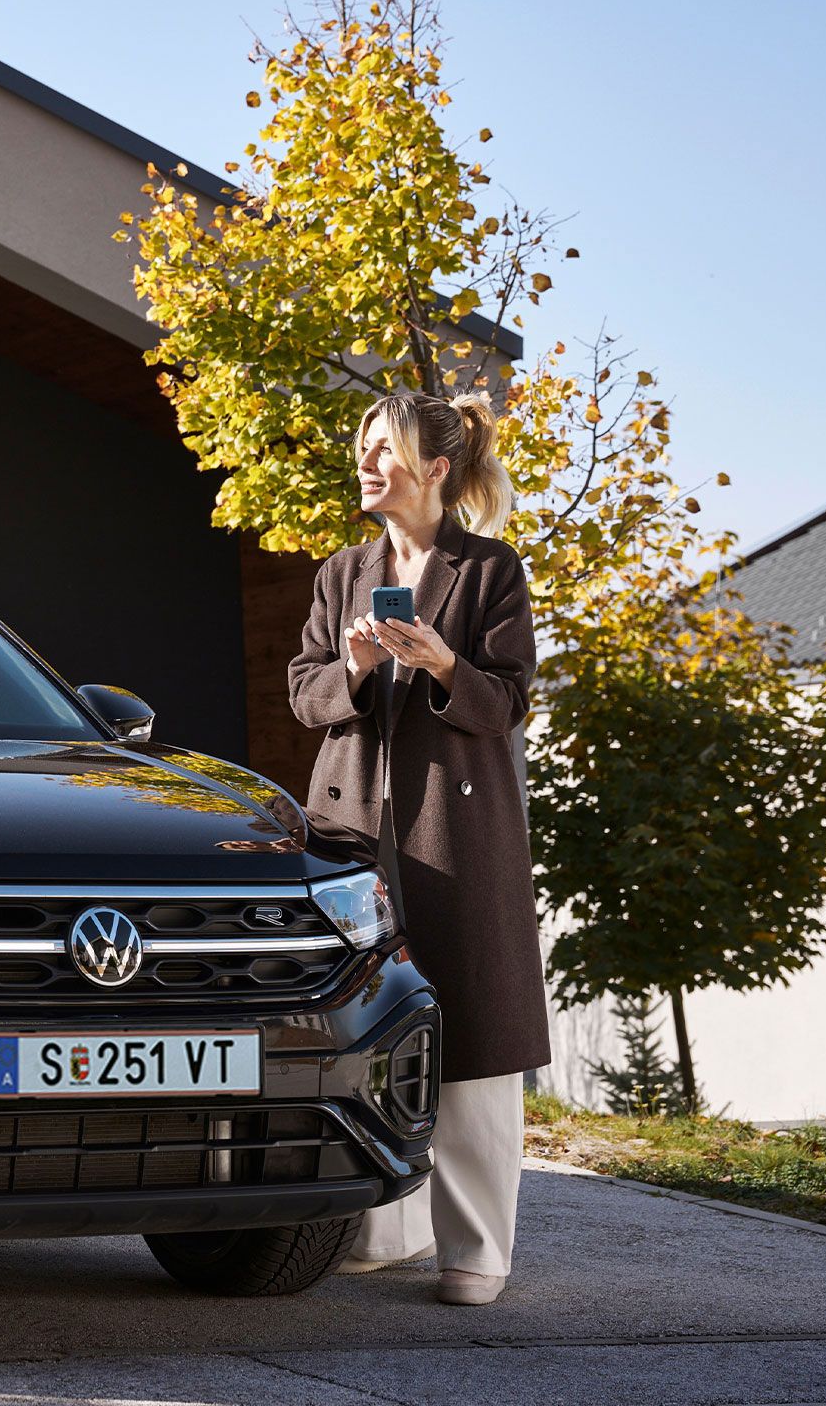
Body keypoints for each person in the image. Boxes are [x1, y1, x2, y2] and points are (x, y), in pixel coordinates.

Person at [287, 390, 550, 1306]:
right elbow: (304, 694)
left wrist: (442, 662)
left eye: (384, 448)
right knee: (362, 1022)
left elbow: (510, 701)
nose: (367, 462)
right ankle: (380, 1226)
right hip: (352, 832)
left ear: (435, 469)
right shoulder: (340, 570)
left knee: (472, 1034)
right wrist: (356, 666)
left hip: (457, 835)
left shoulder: (489, 571)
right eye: (361, 445)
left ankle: (476, 1249)